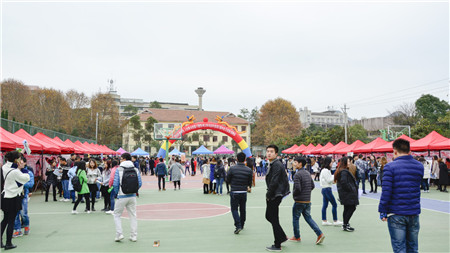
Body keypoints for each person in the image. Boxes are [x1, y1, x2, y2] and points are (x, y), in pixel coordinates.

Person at [379, 139, 424, 253]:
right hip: (413, 212)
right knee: (413, 248)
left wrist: (383, 211)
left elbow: (386, 192)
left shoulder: (390, 167)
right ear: (409, 151)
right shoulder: (419, 166)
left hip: (396, 213)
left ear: (394, 151)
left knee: (399, 248)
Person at [289, 157, 325, 244]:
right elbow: (312, 186)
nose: (294, 164)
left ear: (300, 164)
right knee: (308, 218)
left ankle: (297, 236)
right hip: (307, 200)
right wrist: (306, 192)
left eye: (296, 162)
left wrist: (295, 195)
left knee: (295, 218)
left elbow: (297, 188)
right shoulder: (307, 173)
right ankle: (319, 233)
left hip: (299, 201)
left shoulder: (297, 174)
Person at [1, 151, 31, 250]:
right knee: (11, 221)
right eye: (19, 158)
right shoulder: (15, 171)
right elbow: (26, 178)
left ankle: (1, 241)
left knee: (5, 219)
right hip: (13, 197)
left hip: (5, 197)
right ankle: (8, 243)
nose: (21, 160)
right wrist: (23, 168)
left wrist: (20, 152)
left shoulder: (5, 167)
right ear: (15, 160)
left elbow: (12, 163)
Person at [264, 145, 290, 252]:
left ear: (276, 154)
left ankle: (277, 244)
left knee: (273, 218)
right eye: (267, 151)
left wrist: (269, 195)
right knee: (269, 216)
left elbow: (274, 181)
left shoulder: (277, 165)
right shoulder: (273, 163)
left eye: (271, 151)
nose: (269, 153)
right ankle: (282, 237)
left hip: (275, 194)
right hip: (275, 193)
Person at [113, 153, 142, 242]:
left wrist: (117, 193)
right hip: (132, 196)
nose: (120, 160)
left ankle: (119, 234)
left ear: (124, 159)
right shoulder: (135, 169)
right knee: (133, 216)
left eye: (121, 158)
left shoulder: (119, 169)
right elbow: (139, 183)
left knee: (117, 215)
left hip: (122, 195)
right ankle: (134, 236)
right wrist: (134, 190)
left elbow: (115, 184)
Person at [226, 152, 252, 234]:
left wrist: (231, 184)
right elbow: (249, 182)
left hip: (234, 191)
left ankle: (238, 225)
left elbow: (227, 179)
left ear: (236, 159)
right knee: (242, 209)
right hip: (243, 191)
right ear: (245, 159)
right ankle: (242, 224)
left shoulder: (232, 169)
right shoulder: (248, 170)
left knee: (234, 209)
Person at [335, 157, 359, 232]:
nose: (349, 163)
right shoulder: (344, 172)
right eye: (348, 162)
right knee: (351, 208)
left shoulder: (341, 171)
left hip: (345, 193)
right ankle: (345, 224)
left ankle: (345, 224)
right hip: (348, 194)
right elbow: (344, 182)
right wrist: (351, 189)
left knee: (347, 208)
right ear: (345, 163)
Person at [13, 157, 34, 238]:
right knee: (15, 213)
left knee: (23, 213)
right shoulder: (14, 171)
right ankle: (17, 230)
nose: (19, 163)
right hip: (14, 194)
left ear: (24, 163)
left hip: (23, 195)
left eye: (21, 162)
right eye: (17, 162)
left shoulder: (28, 172)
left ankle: (26, 225)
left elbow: (31, 184)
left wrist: (20, 183)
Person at [319, 157, 342, 226]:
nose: (332, 164)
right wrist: (335, 176)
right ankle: (335, 220)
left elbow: (329, 179)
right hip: (327, 189)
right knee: (334, 204)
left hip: (325, 189)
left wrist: (333, 177)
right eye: (331, 162)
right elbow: (329, 180)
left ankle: (324, 220)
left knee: (325, 205)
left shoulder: (325, 170)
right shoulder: (325, 170)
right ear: (328, 163)